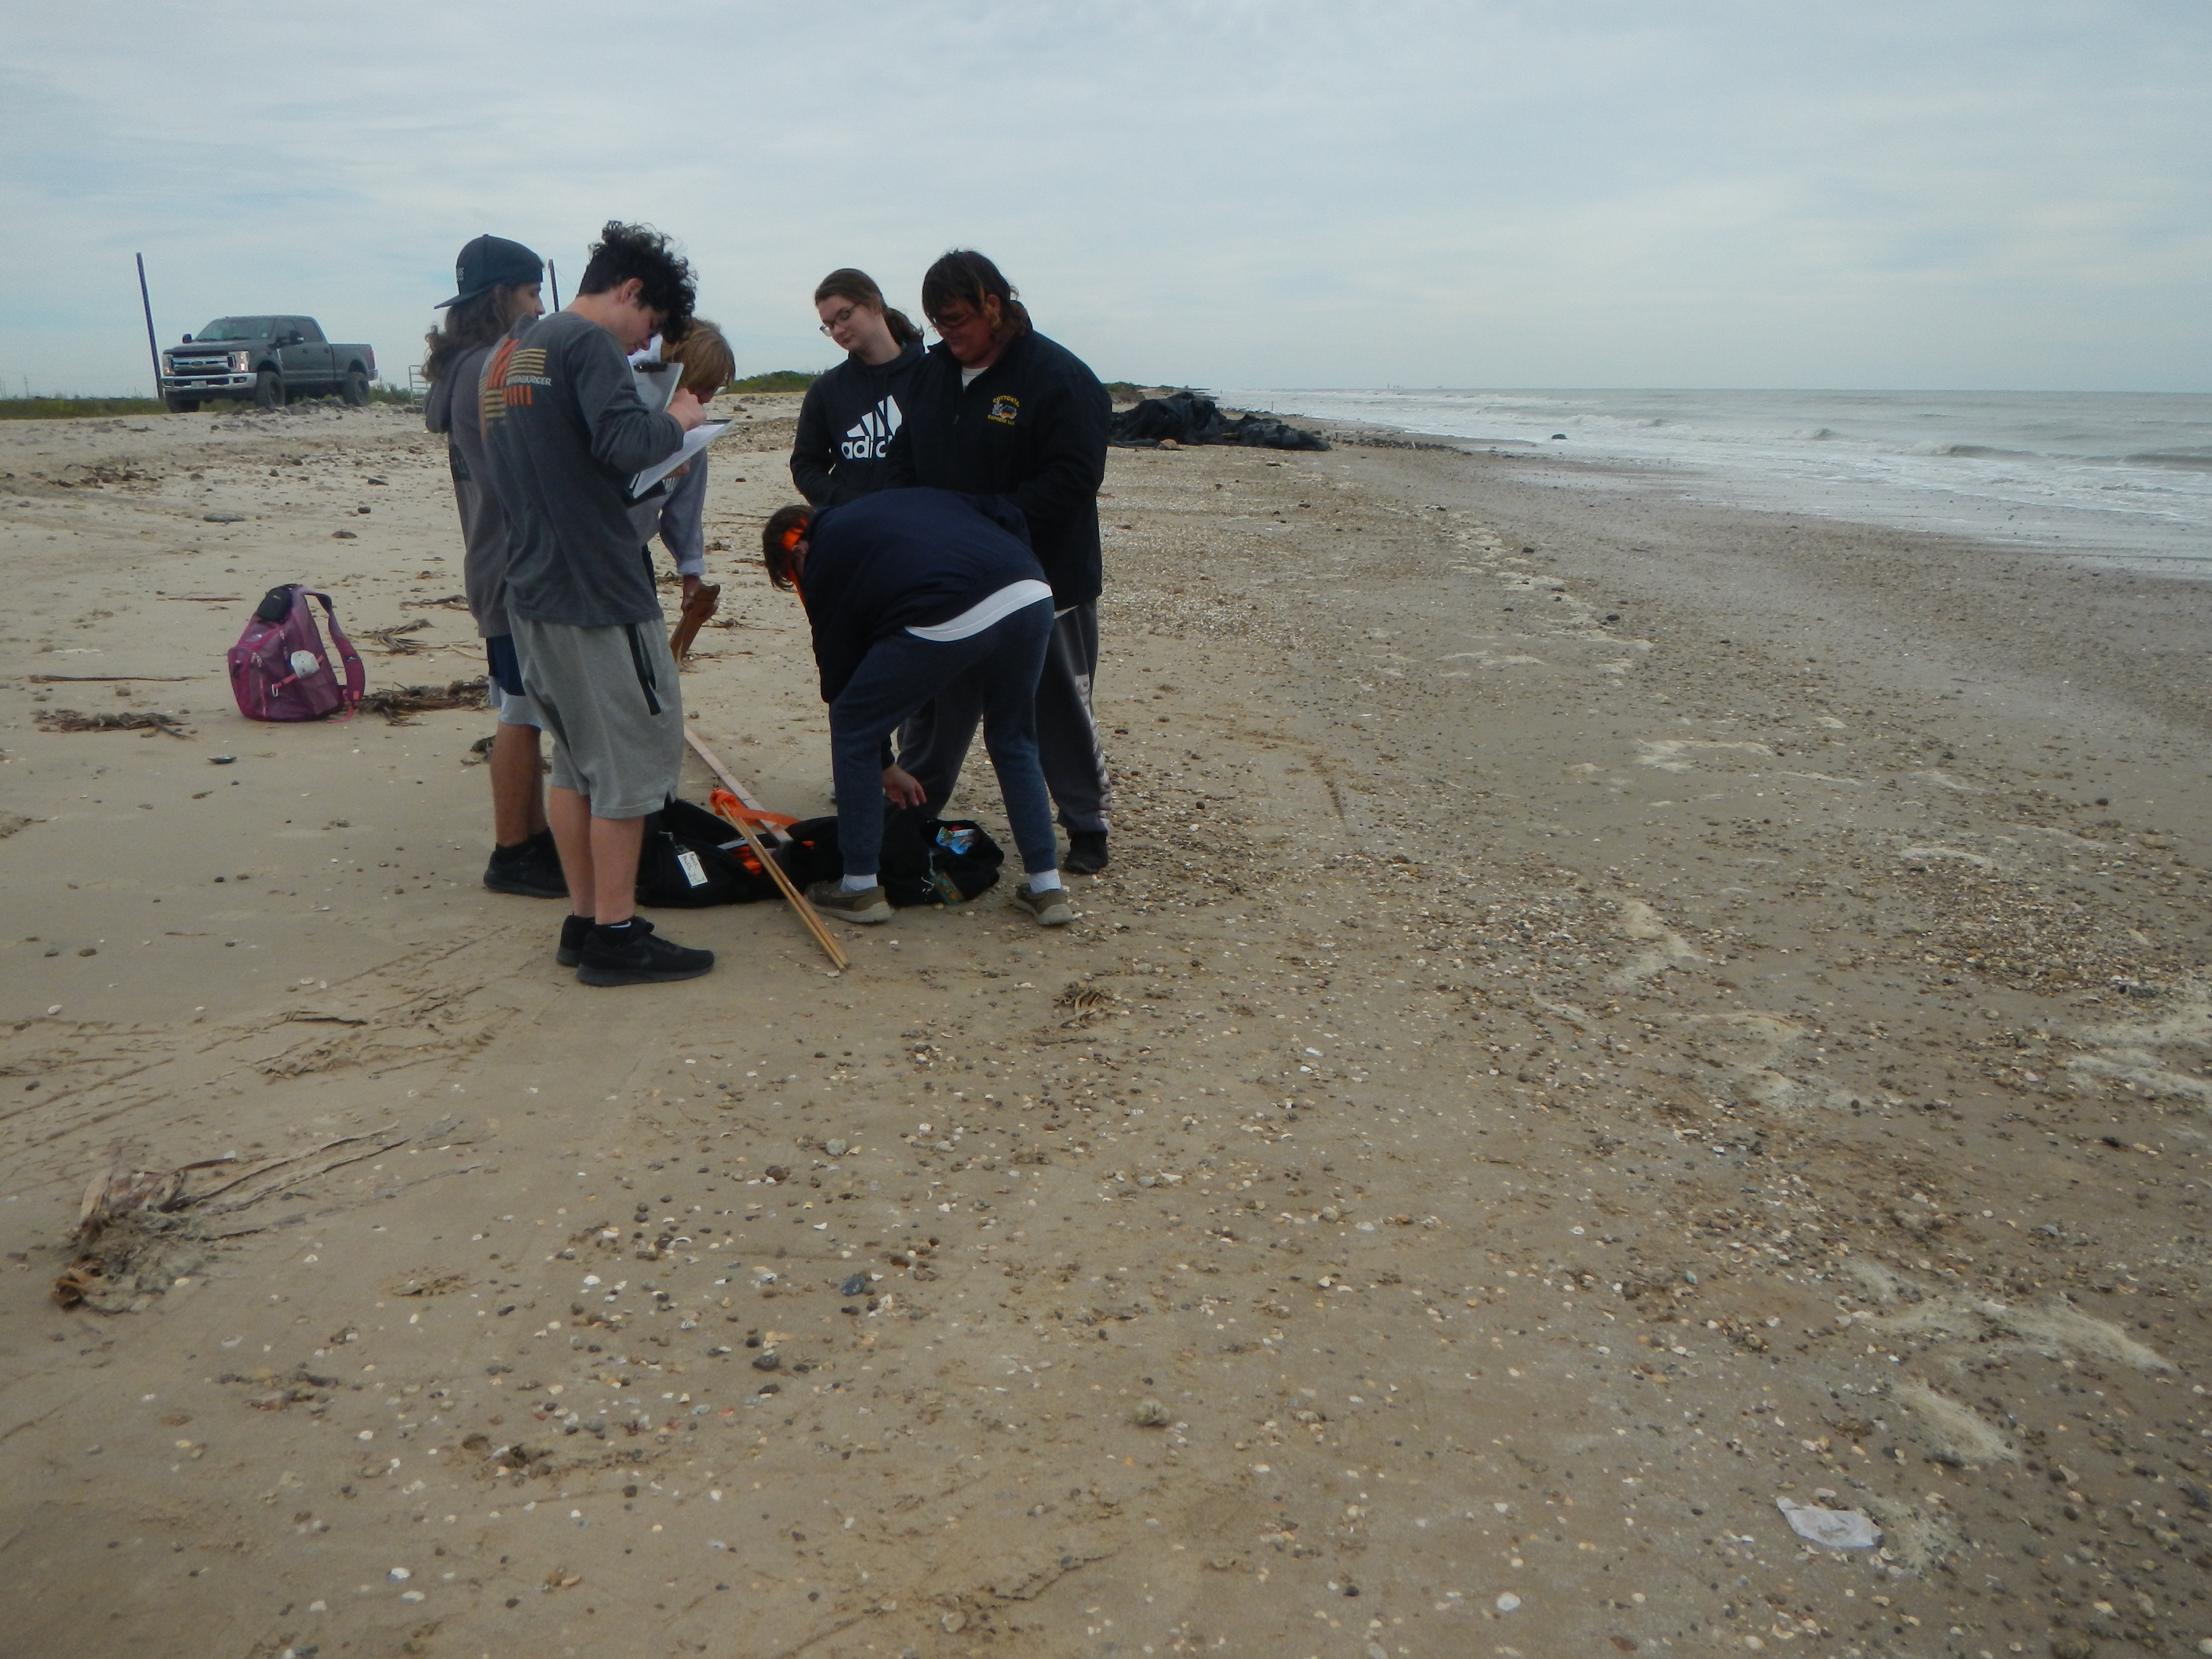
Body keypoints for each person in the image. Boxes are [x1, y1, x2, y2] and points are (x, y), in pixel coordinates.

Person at [479, 221, 714, 988]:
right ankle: (616, 933)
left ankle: (586, 920)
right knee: (630, 761)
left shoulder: (507, 354)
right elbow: (626, 444)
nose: (643, 347)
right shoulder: (584, 345)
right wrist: (679, 421)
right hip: (598, 592)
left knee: (576, 761)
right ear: (632, 291)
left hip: (532, 586)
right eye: (650, 328)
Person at [884, 250, 1115, 874]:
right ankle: (912, 807)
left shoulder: (1060, 377)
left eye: (957, 319)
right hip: (950, 582)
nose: (948, 335)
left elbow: (1073, 479)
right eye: (937, 324)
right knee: (932, 705)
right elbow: (905, 458)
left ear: (993, 303)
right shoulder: (929, 377)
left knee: (1058, 705)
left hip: (1045, 581)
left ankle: (1086, 824)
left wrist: (987, 520)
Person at [760, 491, 1073, 928]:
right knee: (1013, 738)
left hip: (950, 606)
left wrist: (880, 761)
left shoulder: (826, 551)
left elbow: (840, 678)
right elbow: (1007, 511)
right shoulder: (890, 507)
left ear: (797, 552)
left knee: (851, 723)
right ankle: (1046, 888)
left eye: (797, 577)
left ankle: (859, 887)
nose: (805, 586)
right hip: (1030, 589)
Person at [420, 233, 561, 899]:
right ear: (503, 296)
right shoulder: (488, 370)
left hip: (490, 561)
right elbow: (519, 470)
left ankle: (531, 839)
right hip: (511, 565)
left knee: (521, 707)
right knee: (521, 710)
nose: (538, 307)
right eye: (532, 293)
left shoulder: (460, 368)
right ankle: (513, 849)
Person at [789, 268, 926, 507]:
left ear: (874, 304)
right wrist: (846, 503)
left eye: (845, 315)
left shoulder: (932, 376)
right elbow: (806, 466)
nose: (838, 330)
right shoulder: (827, 390)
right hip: (852, 522)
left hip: (923, 520)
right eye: (830, 325)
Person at [629, 319, 735, 603]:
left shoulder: (693, 434)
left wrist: (691, 572)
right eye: (704, 386)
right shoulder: (625, 411)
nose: (709, 398)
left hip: (634, 553)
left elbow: (686, 507)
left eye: (716, 388)